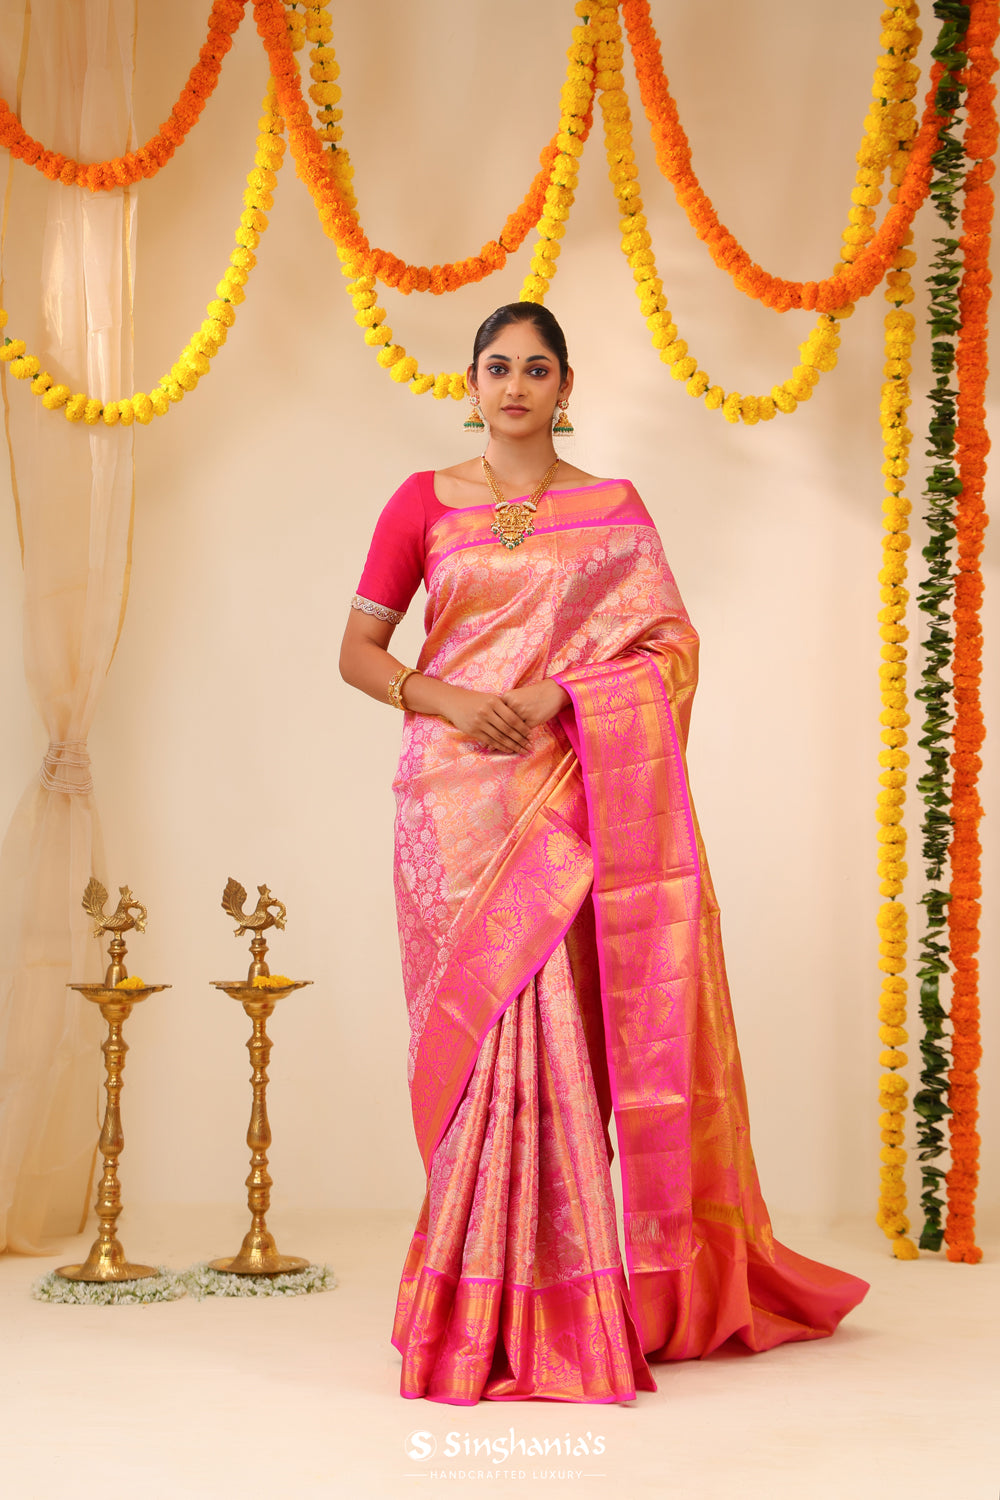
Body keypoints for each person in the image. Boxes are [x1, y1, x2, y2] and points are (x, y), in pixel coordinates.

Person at [339, 302, 868, 1406]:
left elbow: (668, 650)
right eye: (497, 367)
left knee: (561, 1042)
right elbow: (358, 649)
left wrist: (557, 696)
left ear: (566, 387)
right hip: (451, 806)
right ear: (470, 383)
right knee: (479, 1050)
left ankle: (561, 1302)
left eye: (536, 369)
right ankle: (470, 1303)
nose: (515, 385)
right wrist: (451, 700)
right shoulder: (420, 502)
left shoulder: (615, 509)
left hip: (569, 797)